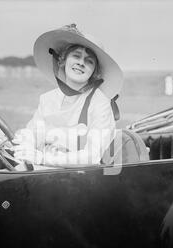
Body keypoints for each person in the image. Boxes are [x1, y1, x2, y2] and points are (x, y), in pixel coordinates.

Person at [12, 24, 124, 167]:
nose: (81, 63)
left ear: (94, 72)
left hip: (81, 178)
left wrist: (42, 159)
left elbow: (92, 156)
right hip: (42, 170)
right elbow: (30, 134)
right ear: (63, 61)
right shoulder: (47, 99)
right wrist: (25, 146)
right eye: (76, 56)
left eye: (89, 61)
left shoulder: (100, 103)